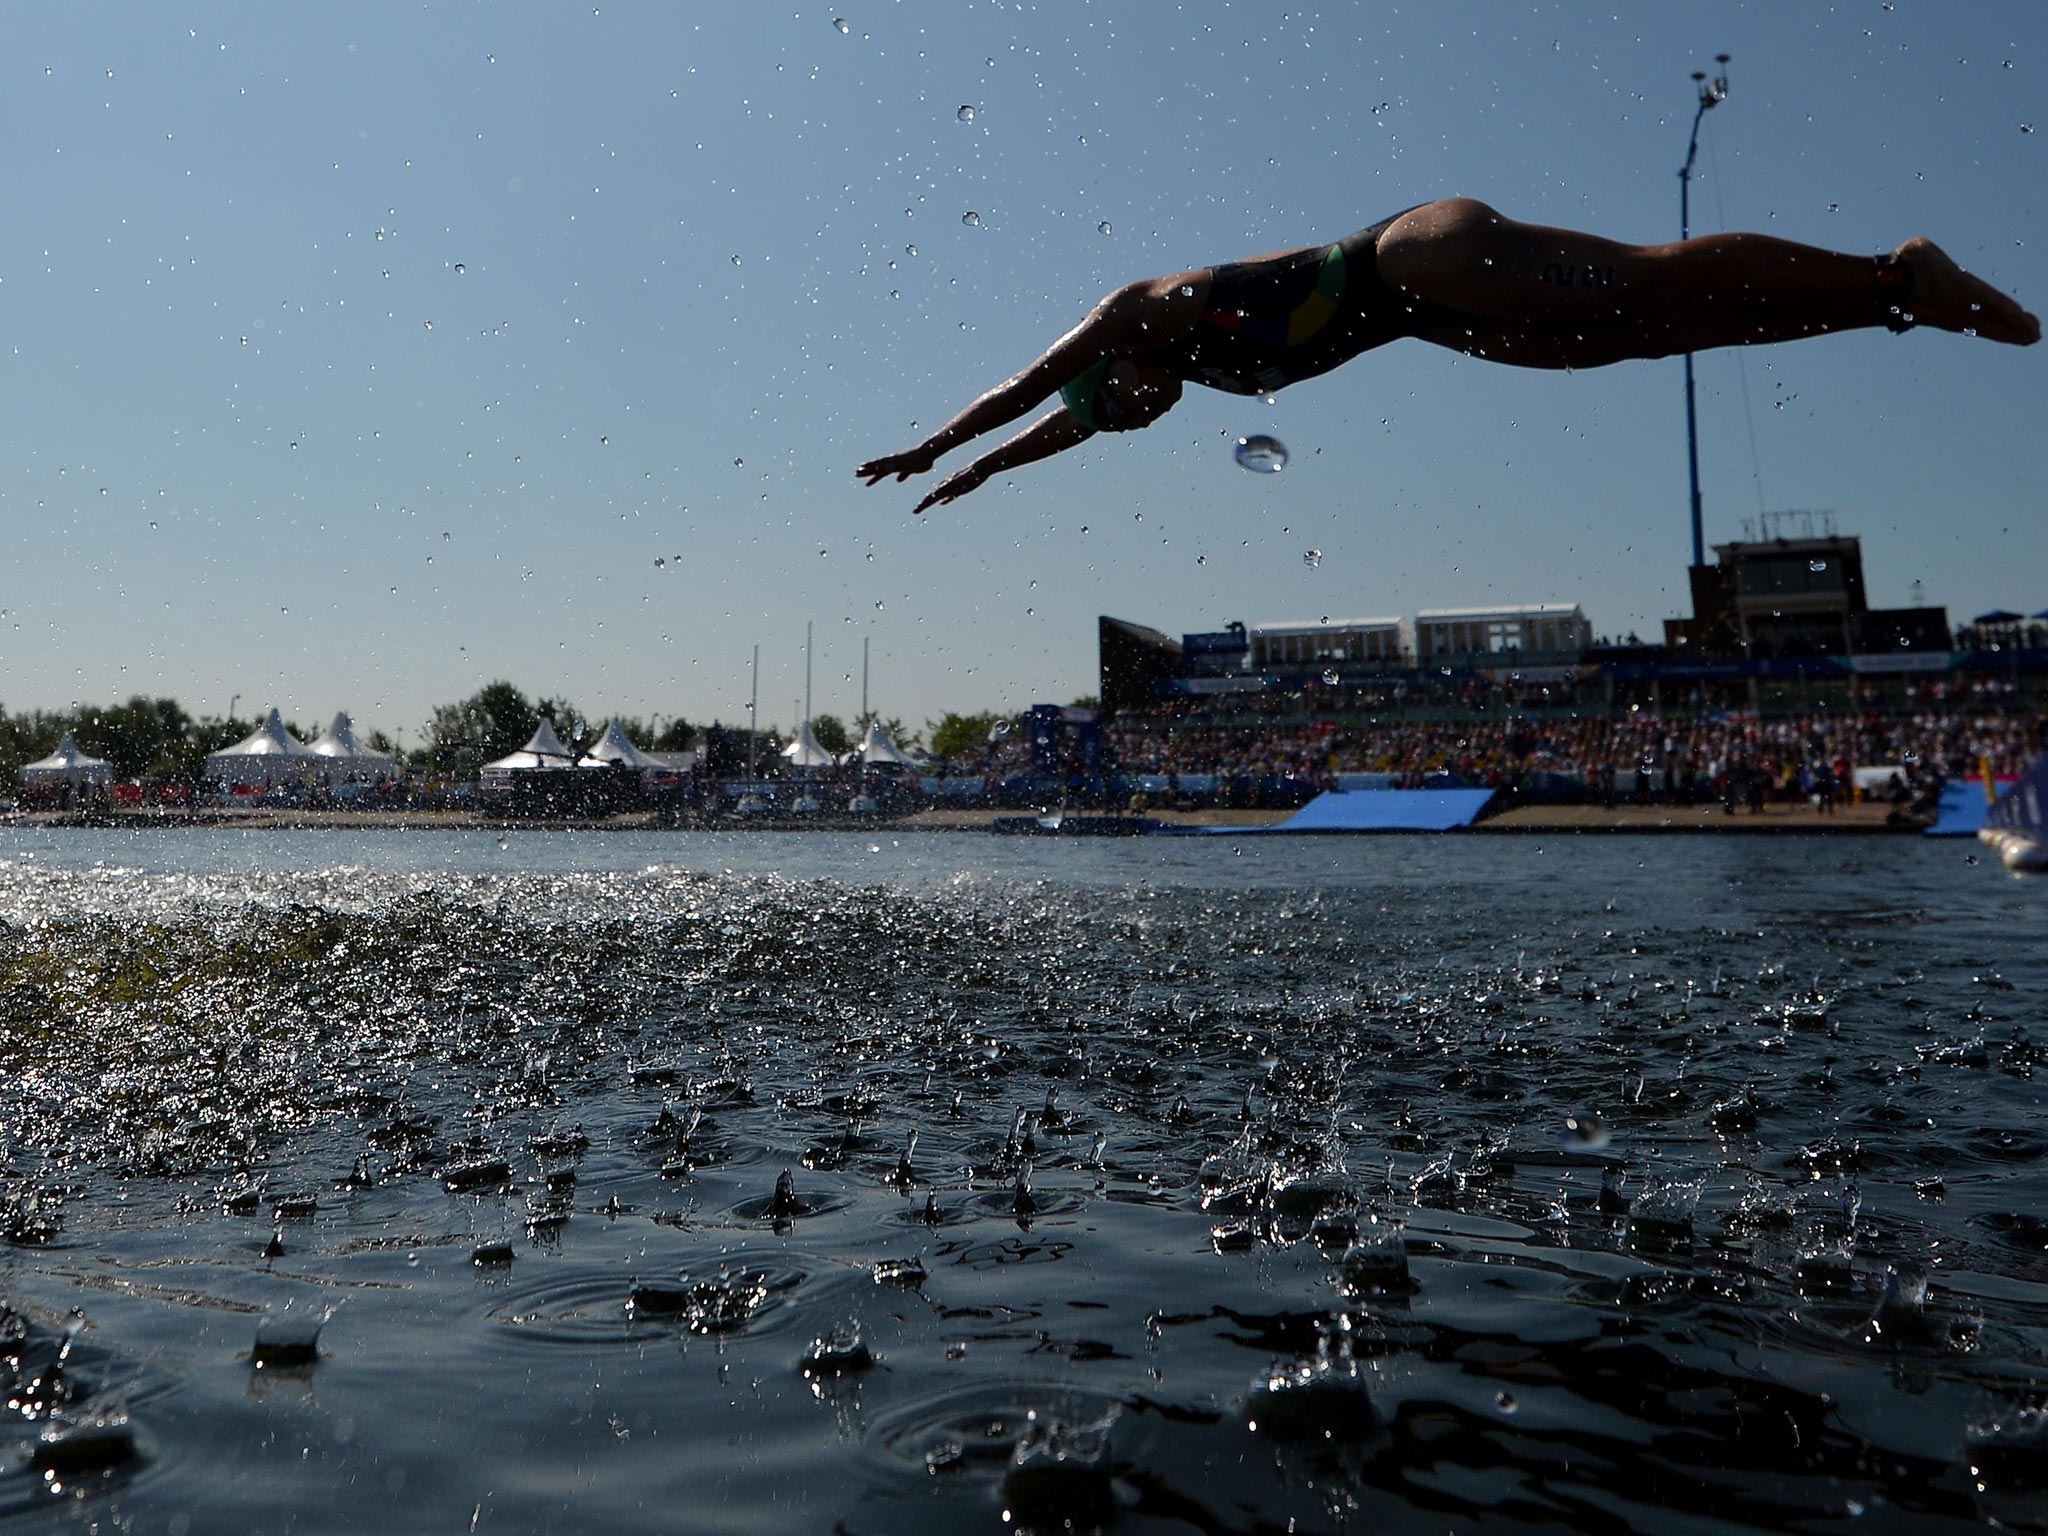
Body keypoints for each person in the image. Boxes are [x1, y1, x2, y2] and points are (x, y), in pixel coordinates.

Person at [857, 198, 2038, 513]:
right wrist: (978, 480)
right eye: (1133, 424)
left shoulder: (1132, 315)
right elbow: (1059, 428)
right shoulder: (1143, 387)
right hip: (1438, 322)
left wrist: (931, 442)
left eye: (1128, 409)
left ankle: (1890, 269)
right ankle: (1898, 302)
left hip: (1409, 258)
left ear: (1113, 369)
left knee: (1641, 280)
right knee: (1644, 338)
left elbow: (1028, 389)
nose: (1146, 417)